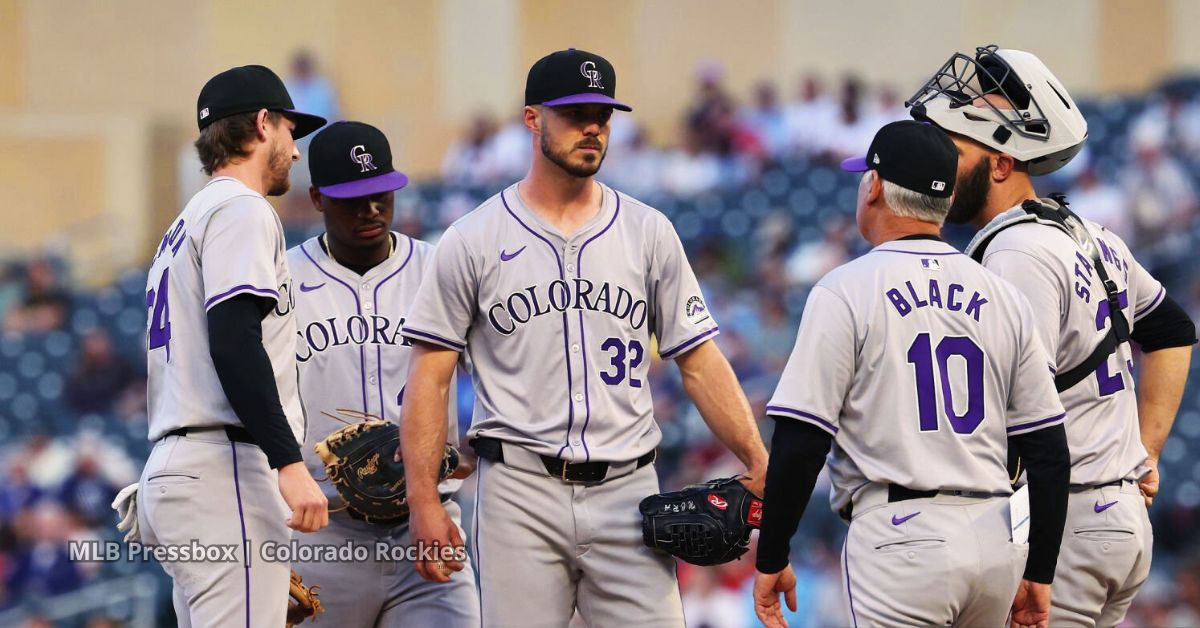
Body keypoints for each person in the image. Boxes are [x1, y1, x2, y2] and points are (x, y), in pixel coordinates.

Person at [398, 48, 769, 627]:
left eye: (603, 113)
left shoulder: (648, 230)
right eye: (575, 113)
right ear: (533, 119)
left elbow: (697, 359)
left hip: (630, 489)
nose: (592, 126)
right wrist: (423, 499)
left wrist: (756, 456)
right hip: (519, 490)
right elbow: (431, 373)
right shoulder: (471, 239)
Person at [908, 45, 1196, 627]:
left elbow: (1017, 409)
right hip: (1112, 520)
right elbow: (1173, 329)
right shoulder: (1089, 232)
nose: (940, 161)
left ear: (1001, 164)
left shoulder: (1015, 250)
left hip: (1065, 524)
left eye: (956, 148)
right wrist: (1148, 452)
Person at [753, 121, 1071, 628]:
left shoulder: (845, 289)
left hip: (900, 538)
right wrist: (1041, 570)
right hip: (994, 541)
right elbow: (1049, 450)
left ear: (874, 186)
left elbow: (802, 440)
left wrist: (771, 555)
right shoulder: (1002, 295)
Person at [135, 65, 329, 627]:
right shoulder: (243, 209)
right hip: (226, 471)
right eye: (292, 132)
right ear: (263, 124)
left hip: (182, 464)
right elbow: (233, 340)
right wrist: (289, 463)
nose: (296, 152)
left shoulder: (184, 223)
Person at [286, 120, 481, 626]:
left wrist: (477, 443)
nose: (371, 208)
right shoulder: (279, 280)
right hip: (322, 534)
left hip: (426, 520)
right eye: (353, 197)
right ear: (317, 198)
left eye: (381, 193)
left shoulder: (439, 269)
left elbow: (506, 371)